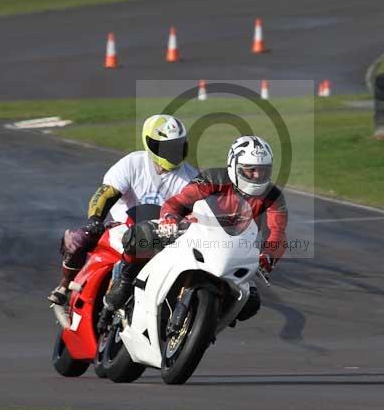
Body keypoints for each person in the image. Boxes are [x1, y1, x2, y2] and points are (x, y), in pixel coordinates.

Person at [101, 135, 288, 323]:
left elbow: (277, 232)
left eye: (263, 171)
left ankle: (208, 324)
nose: (257, 175)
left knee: (250, 304)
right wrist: (170, 219)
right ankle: (124, 282)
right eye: (251, 170)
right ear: (235, 166)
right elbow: (179, 201)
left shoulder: (273, 197)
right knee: (140, 237)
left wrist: (268, 256)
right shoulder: (213, 177)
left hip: (236, 249)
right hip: (191, 232)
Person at [48, 114, 198, 305]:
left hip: (163, 239)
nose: (174, 152)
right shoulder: (133, 163)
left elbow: (199, 212)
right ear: (152, 144)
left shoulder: (191, 177)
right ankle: (64, 285)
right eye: (168, 147)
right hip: (120, 230)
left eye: (178, 146)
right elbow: (105, 193)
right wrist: (95, 219)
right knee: (77, 239)